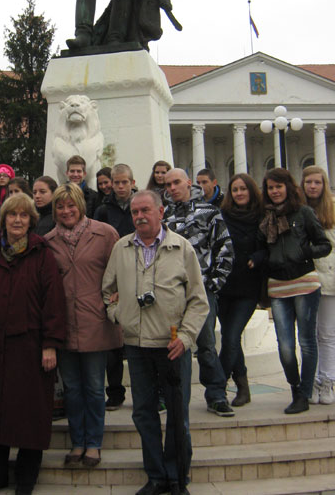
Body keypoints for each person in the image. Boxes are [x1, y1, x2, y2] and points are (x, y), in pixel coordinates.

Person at [102, 190, 208, 495]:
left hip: (172, 345)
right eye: (135, 212)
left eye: (145, 210)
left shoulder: (181, 248)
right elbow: (106, 289)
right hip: (136, 346)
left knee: (177, 414)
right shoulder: (121, 248)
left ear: (161, 212)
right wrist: (116, 313)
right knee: (143, 413)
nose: (139, 216)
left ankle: (177, 478)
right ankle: (156, 475)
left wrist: (187, 337)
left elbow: (199, 301)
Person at [0, 193, 66, 495]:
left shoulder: (41, 254)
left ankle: (25, 479)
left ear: (31, 220)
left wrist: (50, 344)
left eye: (23, 216)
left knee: (28, 416)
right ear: (3, 219)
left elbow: (54, 304)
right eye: (11, 215)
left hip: (29, 348)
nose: (17, 220)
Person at [45, 183, 120, 468]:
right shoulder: (49, 240)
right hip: (63, 324)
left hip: (95, 322)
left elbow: (118, 272)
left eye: (70, 205)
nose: (66, 211)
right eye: (60, 207)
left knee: (93, 387)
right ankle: (77, 442)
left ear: (81, 205)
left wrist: (112, 301)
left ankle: (94, 443)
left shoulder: (104, 234)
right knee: (72, 389)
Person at [250, 168, 331, 414]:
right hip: (278, 285)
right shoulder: (265, 217)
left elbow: (324, 245)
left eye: (279, 186)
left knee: (307, 342)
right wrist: (257, 258)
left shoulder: (303, 213)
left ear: (288, 187)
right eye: (271, 188)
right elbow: (263, 247)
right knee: (285, 346)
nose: (275, 191)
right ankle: (295, 387)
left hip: (305, 283)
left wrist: (304, 252)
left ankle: (304, 394)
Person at [163, 168, 234, 417]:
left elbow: (225, 248)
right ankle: (166, 395)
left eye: (176, 182)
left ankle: (216, 394)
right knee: (168, 345)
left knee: (206, 344)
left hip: (202, 291)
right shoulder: (164, 215)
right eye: (168, 184)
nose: (172, 187)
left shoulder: (209, 212)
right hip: (171, 293)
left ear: (188, 183)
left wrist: (214, 284)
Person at [218, 173, 263, 406]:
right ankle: (243, 388)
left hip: (248, 287)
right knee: (230, 338)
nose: (239, 193)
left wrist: (259, 256)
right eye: (235, 190)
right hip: (224, 285)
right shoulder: (223, 215)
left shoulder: (262, 216)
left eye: (243, 189)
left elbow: (269, 244)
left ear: (251, 190)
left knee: (232, 336)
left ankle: (218, 384)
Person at [95, 163, 136, 410]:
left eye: (124, 182)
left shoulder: (140, 206)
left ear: (132, 182)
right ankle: (115, 392)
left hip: (137, 276)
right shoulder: (102, 210)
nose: (120, 186)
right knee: (113, 344)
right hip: (112, 278)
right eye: (116, 182)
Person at [302, 166, 335, 404]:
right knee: (307, 335)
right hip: (304, 280)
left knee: (327, 334)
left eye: (317, 182)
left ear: (324, 185)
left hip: (329, 281)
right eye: (309, 182)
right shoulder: (298, 211)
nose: (313, 186)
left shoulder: (332, 211)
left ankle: (328, 381)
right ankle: (311, 381)